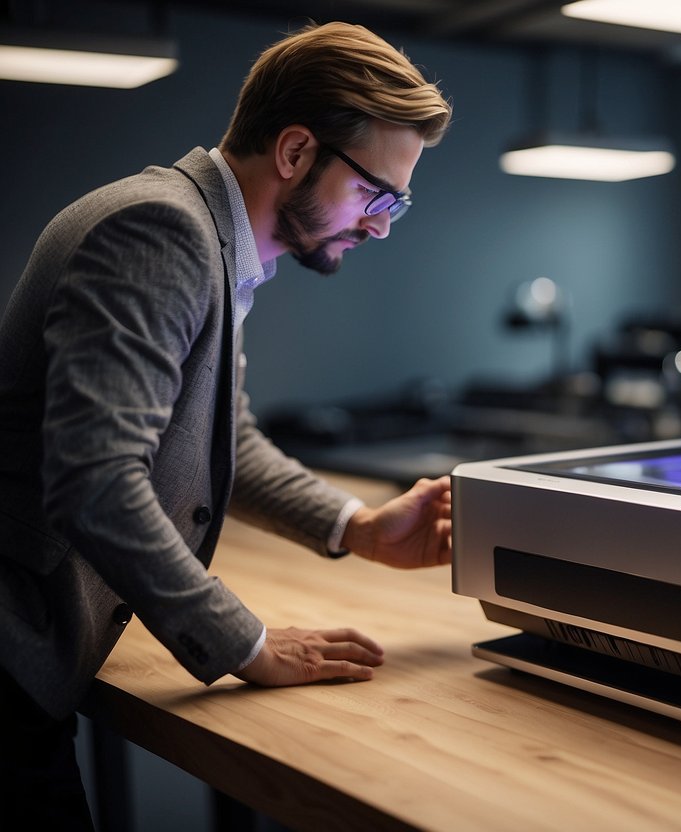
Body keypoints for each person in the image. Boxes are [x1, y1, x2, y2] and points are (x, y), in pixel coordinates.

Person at [0, 21, 453, 829]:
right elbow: (97, 481)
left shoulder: (212, 244)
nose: (382, 223)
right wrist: (245, 643)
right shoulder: (160, 232)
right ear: (293, 152)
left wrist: (361, 529)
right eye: (376, 193)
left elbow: (224, 440)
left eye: (399, 203)